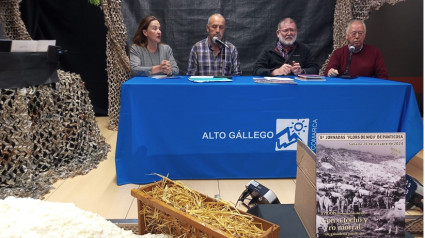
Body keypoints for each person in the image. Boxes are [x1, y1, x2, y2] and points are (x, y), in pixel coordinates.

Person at [253, 17, 319, 76]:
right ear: (278, 33)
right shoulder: (269, 50)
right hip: (275, 87)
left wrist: (301, 71)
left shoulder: (304, 49)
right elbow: (257, 70)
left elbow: (315, 69)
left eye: (292, 30)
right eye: (285, 30)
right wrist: (275, 72)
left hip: (297, 87)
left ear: (296, 32)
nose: (289, 33)